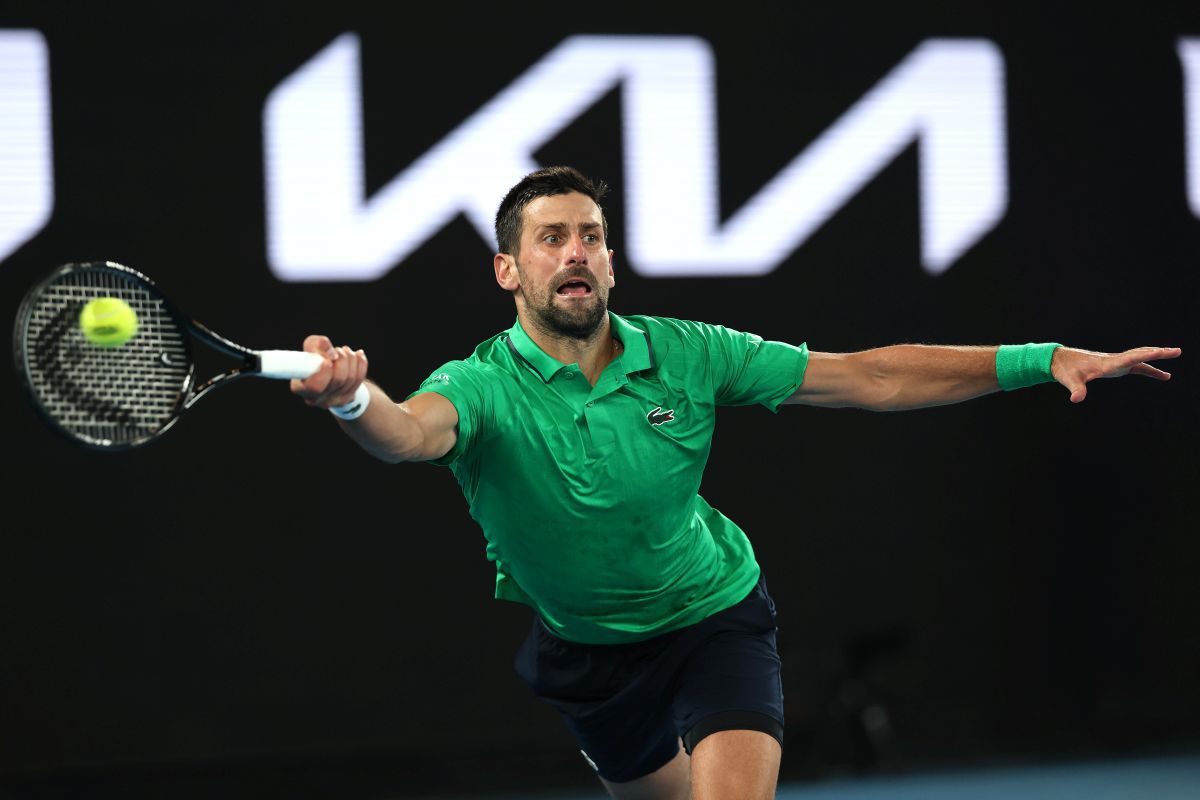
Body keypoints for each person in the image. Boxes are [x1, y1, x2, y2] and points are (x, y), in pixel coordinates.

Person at [290, 165, 1180, 800]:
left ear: (610, 261)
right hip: (587, 654)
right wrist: (351, 400)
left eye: (591, 237)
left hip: (712, 619)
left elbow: (868, 376)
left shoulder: (690, 352)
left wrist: (1039, 358)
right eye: (551, 238)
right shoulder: (480, 386)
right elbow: (406, 434)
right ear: (508, 269)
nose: (575, 253)